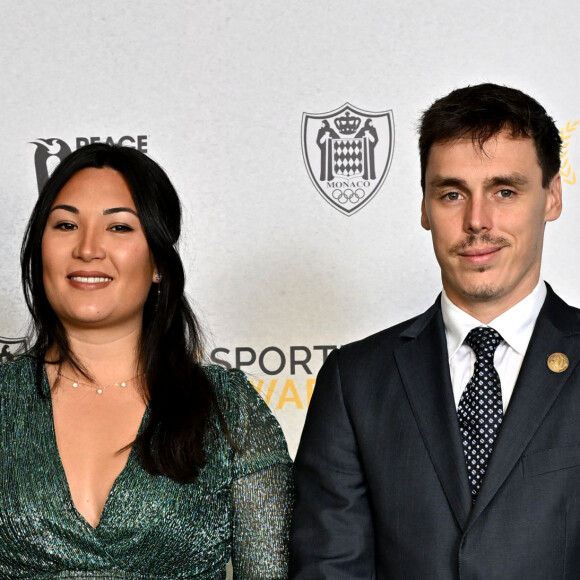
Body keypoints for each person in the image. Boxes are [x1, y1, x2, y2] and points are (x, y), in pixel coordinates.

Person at [290, 83, 580, 578]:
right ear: (424, 208)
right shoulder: (355, 380)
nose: (476, 221)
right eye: (451, 194)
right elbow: (330, 568)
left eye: (504, 191)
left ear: (551, 197)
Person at [0, 143, 293, 578]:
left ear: (158, 261)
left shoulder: (228, 410)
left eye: (118, 227)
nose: (87, 249)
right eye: (65, 224)